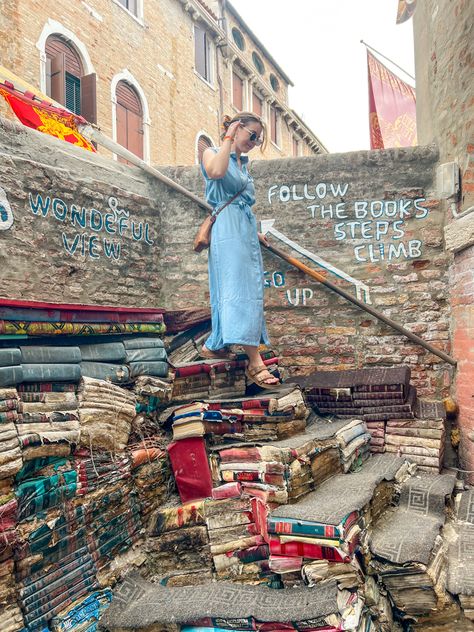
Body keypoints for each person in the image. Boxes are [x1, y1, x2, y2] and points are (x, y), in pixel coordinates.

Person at [200, 112, 279, 389]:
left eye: (258, 139)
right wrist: (228, 138)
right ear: (237, 128)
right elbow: (216, 173)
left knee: (248, 289)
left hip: (243, 230)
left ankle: (218, 342)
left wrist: (253, 232)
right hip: (227, 231)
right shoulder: (213, 152)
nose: (255, 142)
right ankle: (254, 361)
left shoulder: (243, 165)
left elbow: (242, 200)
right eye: (253, 135)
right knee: (237, 289)